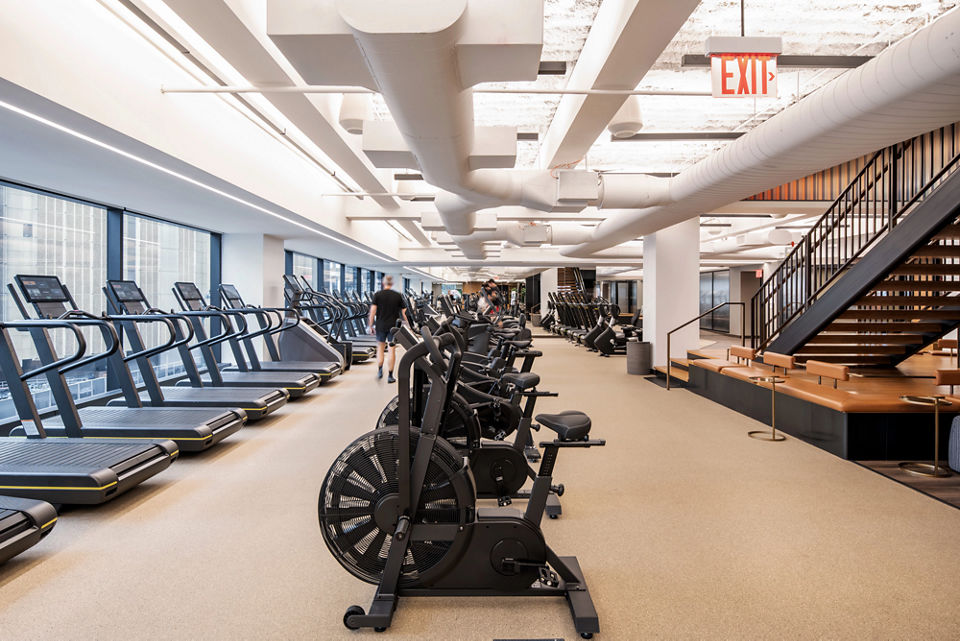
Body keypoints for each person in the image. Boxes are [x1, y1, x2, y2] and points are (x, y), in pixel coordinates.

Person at [368, 275, 408, 383]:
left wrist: (370, 325)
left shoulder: (377, 295)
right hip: (393, 326)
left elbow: (372, 312)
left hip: (380, 325)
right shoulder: (397, 295)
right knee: (391, 350)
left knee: (380, 348)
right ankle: (390, 375)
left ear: (383, 283)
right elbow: (405, 312)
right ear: (392, 283)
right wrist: (409, 325)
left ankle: (380, 370)